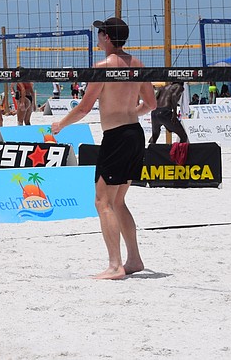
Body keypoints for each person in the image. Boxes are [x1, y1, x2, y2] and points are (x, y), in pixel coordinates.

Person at [52, 17, 155, 280]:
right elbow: (151, 104)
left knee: (103, 202)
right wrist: (131, 112)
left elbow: (85, 108)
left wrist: (60, 124)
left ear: (107, 38)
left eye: (100, 34)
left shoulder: (102, 67)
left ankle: (114, 266)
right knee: (118, 201)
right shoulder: (138, 65)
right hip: (134, 134)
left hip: (117, 137)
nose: (97, 38)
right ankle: (134, 260)